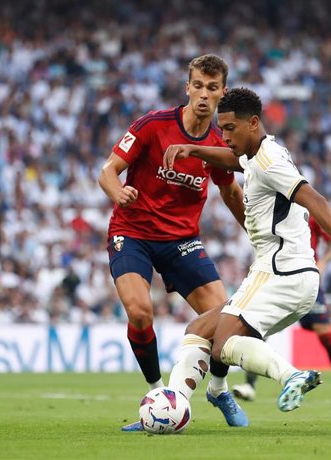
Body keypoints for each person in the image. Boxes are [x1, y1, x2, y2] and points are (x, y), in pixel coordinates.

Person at [162, 88, 331, 417]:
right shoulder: (253, 156)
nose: (224, 136)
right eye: (221, 129)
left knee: (223, 345)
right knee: (199, 330)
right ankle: (174, 410)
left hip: (279, 272)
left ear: (253, 123)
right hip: (290, 275)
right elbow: (231, 159)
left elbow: (316, 200)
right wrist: (193, 149)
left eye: (230, 129)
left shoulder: (269, 160)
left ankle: (291, 375)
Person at [97, 54, 249, 431]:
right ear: (187, 87)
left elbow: (230, 192)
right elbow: (107, 172)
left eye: (212, 88)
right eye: (197, 85)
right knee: (139, 312)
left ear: (222, 93)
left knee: (226, 318)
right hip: (132, 232)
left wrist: (256, 232)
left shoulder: (218, 144)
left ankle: (218, 388)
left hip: (181, 240)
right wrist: (118, 193)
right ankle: (157, 396)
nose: (203, 94)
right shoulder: (152, 125)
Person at [232, 217, 331, 403]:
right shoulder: (273, 209)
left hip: (306, 279)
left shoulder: (310, 211)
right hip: (278, 280)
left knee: (324, 333)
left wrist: (323, 261)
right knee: (260, 329)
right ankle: (249, 386)